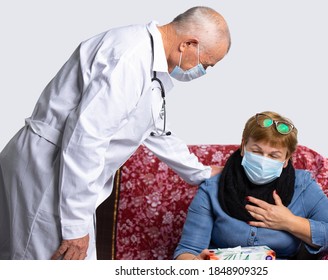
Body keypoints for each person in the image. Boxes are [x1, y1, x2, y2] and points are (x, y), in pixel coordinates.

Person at [0, 6, 231, 260]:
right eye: (206, 64)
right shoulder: (129, 59)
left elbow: (154, 132)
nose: (205, 72)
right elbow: (86, 139)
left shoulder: (150, 63)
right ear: (188, 44)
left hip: (57, 170)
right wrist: (76, 227)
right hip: (48, 171)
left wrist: (200, 171)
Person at [174, 111, 328, 260]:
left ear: (286, 160)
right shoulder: (212, 188)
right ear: (243, 146)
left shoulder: (303, 186)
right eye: (257, 151)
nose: (263, 161)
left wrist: (289, 222)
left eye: (274, 156)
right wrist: (195, 263)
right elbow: (188, 249)